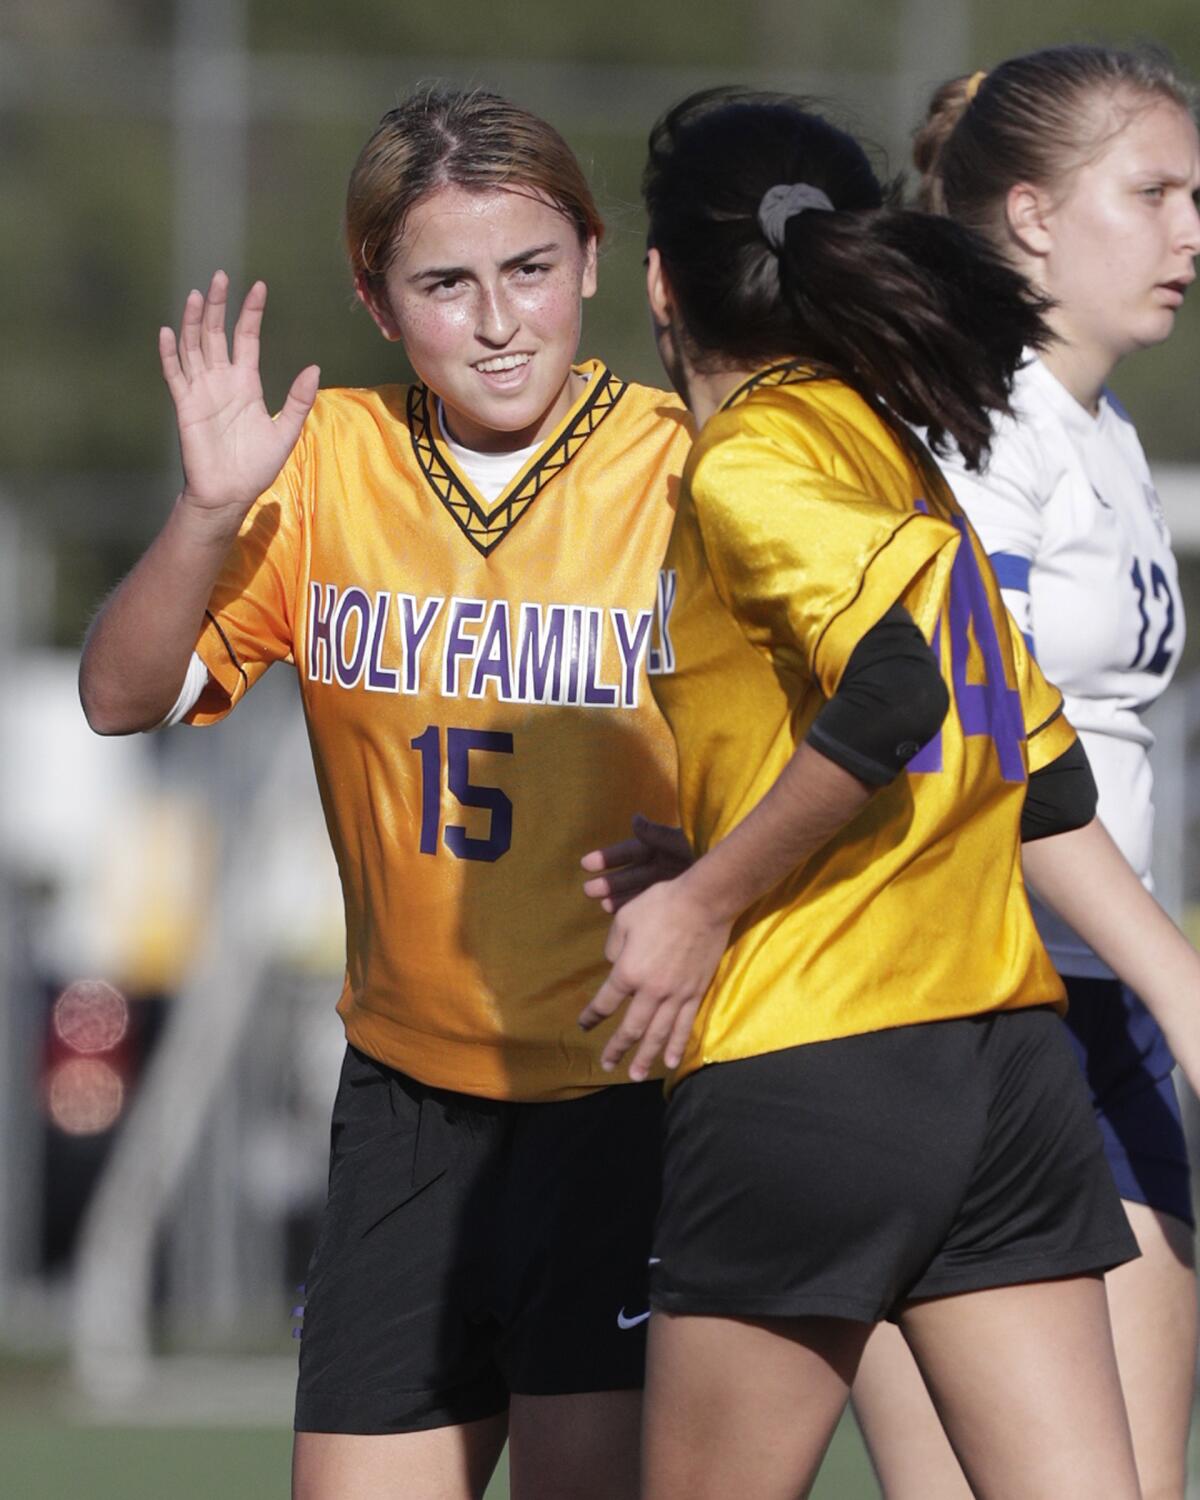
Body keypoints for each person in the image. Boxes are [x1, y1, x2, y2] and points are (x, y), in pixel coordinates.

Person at [578, 85, 1200, 1500]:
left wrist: (704, 904)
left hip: (817, 1056)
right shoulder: (906, 455)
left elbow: (895, 695)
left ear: (663, 283)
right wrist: (719, 848)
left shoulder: (752, 457)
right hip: (1009, 1065)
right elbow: (1028, 761)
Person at [78, 88, 693, 1500]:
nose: (497, 319)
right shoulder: (326, 463)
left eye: (531, 270)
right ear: (375, 296)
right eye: (445, 282)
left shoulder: (687, 464)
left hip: (630, 1093)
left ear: (593, 260)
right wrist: (205, 513)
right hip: (406, 1101)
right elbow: (119, 697)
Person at [849, 48, 1200, 1500]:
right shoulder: (973, 420)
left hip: (1098, 1010)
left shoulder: (1099, 428)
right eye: (1157, 194)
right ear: (1034, 214)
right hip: (967, 1011)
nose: (1193, 233)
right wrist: (1185, 984)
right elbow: (971, 731)